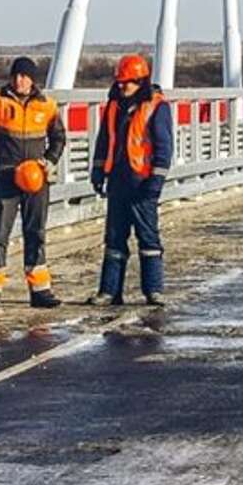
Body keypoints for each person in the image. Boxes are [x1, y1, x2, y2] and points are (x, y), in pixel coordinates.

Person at [0, 55, 67, 310]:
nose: (20, 80)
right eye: (16, 75)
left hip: (36, 179)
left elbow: (59, 137)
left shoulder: (47, 105)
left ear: (33, 79)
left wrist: (49, 161)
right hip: (6, 177)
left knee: (36, 232)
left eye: (25, 76)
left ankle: (40, 290)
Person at [89, 53, 175, 306]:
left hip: (142, 181)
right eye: (120, 82)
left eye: (127, 82)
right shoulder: (114, 106)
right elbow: (104, 140)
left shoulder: (156, 106)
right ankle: (109, 291)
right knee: (114, 237)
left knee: (148, 237)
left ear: (141, 81)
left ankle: (153, 290)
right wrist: (97, 171)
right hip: (118, 179)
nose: (122, 86)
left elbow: (164, 146)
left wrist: (156, 181)